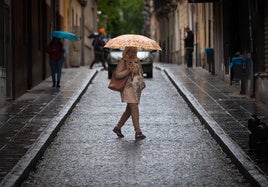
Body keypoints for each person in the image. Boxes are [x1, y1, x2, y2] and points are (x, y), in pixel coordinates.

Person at [112, 46, 146, 140]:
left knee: (129, 110)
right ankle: (138, 132)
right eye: (131, 51)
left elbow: (141, 72)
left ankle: (117, 127)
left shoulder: (137, 60)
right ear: (127, 51)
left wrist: (142, 81)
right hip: (127, 88)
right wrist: (128, 70)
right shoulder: (123, 61)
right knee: (134, 107)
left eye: (135, 51)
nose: (133, 53)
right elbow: (118, 75)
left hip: (136, 87)